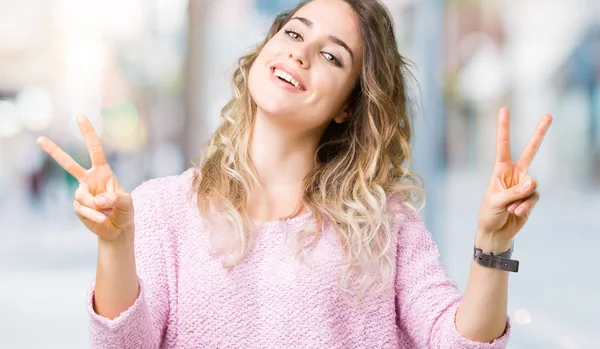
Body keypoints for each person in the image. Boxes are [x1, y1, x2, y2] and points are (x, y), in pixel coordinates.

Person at [36, 0, 552, 348]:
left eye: (331, 55)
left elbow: (457, 342)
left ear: (349, 106)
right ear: (264, 51)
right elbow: (125, 342)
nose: (299, 52)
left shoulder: (385, 223)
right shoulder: (162, 208)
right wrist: (115, 243)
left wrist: (494, 244)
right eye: (292, 32)